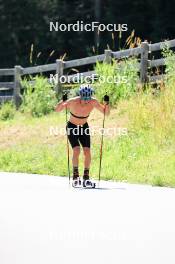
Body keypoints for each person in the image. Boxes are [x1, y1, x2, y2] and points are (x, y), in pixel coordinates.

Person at [55, 85, 110, 187]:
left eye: (88, 98)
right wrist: (62, 100)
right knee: (76, 150)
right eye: (84, 98)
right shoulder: (73, 101)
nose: (86, 101)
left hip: (84, 127)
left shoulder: (93, 102)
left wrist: (107, 104)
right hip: (72, 126)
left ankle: (86, 177)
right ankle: (75, 177)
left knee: (87, 151)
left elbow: (106, 113)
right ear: (80, 96)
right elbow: (57, 110)